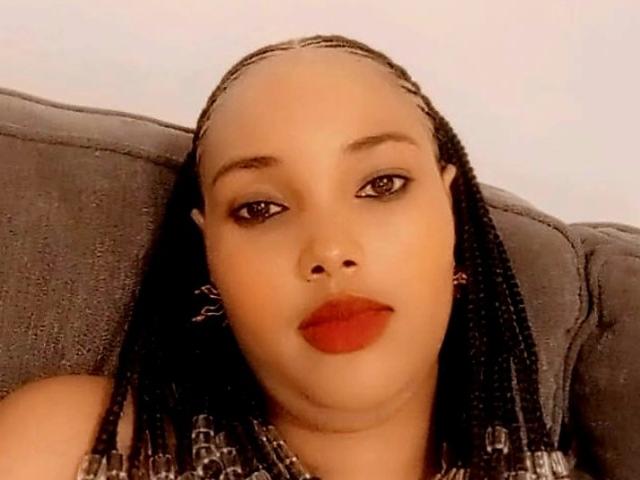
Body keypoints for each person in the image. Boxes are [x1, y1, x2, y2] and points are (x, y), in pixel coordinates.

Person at [0, 34, 573, 480]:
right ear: (209, 255)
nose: (329, 250)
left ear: (452, 216)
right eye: (260, 208)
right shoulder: (74, 449)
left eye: (381, 184)